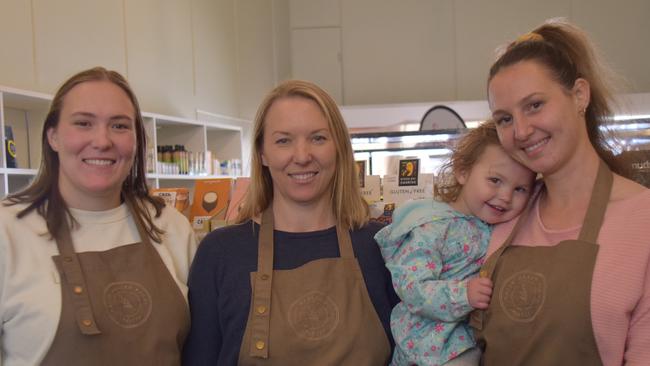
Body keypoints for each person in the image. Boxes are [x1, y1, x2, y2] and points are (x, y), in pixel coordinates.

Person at [471, 19, 650, 365]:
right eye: (504, 119)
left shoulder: (642, 220)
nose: (521, 131)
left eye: (535, 105)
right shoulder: (501, 213)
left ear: (579, 95)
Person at [183, 80, 399, 365]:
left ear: (339, 148)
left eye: (318, 138)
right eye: (283, 140)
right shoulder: (220, 252)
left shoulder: (382, 246)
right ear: (262, 153)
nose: (302, 156)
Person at [0, 67, 197, 365]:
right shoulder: (8, 231)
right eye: (83, 123)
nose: (102, 141)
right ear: (53, 136)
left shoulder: (172, 227)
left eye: (119, 126)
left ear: (136, 140)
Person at [375, 121, 535, 366]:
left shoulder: (500, 227)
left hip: (467, 344)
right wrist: (464, 294)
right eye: (495, 180)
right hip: (429, 349)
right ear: (462, 171)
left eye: (520, 188)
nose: (505, 196)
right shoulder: (432, 226)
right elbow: (413, 288)